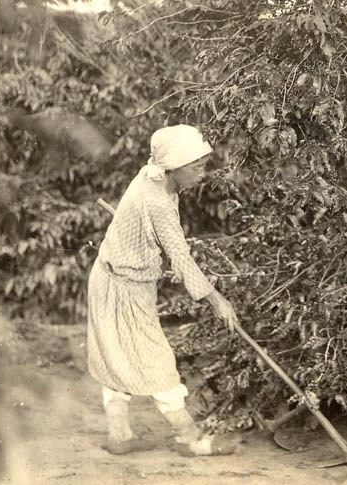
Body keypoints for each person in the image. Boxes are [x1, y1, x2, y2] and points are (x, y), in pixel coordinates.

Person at [87, 125, 241, 456]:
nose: (202, 173)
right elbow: (181, 257)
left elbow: (155, 238)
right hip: (118, 286)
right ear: (173, 167)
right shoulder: (156, 199)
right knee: (156, 361)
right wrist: (217, 300)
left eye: (203, 165)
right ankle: (190, 439)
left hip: (121, 279)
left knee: (117, 353)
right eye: (196, 167)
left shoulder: (153, 176)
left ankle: (120, 436)